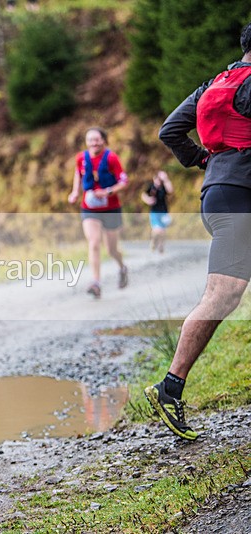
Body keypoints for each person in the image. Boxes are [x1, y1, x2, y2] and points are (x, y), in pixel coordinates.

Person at [145, 22, 251, 441]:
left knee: (227, 294)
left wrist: (207, 162)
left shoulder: (215, 83)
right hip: (241, 199)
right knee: (221, 294)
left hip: (218, 196)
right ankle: (170, 387)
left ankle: (170, 386)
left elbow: (170, 130)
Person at [67, 127, 130, 299]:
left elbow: (124, 181)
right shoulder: (81, 158)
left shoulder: (111, 158)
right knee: (94, 242)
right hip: (89, 208)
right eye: (90, 140)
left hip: (111, 208)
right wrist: (75, 192)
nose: (93, 143)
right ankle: (96, 282)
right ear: (86, 142)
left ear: (103, 140)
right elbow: (78, 175)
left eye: (97, 139)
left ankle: (122, 267)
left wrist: (108, 191)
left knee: (111, 249)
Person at [140, 170, 174, 253]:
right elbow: (143, 194)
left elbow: (170, 190)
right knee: (157, 230)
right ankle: (154, 241)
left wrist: (166, 179)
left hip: (164, 211)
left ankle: (161, 245)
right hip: (154, 212)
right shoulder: (151, 187)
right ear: (154, 178)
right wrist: (148, 200)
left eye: (160, 179)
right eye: (157, 179)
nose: (158, 181)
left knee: (162, 230)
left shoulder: (163, 187)